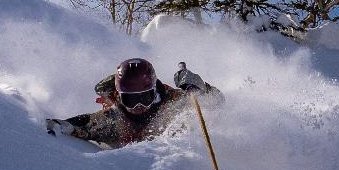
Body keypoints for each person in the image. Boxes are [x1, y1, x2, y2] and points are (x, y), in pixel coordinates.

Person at [47, 58, 218, 149]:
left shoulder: (172, 100)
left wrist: (201, 90)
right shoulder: (115, 118)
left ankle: (182, 76)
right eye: (130, 100)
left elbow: (218, 102)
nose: (138, 107)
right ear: (121, 97)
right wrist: (63, 125)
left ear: (154, 91)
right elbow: (85, 123)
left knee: (189, 91)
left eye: (144, 98)